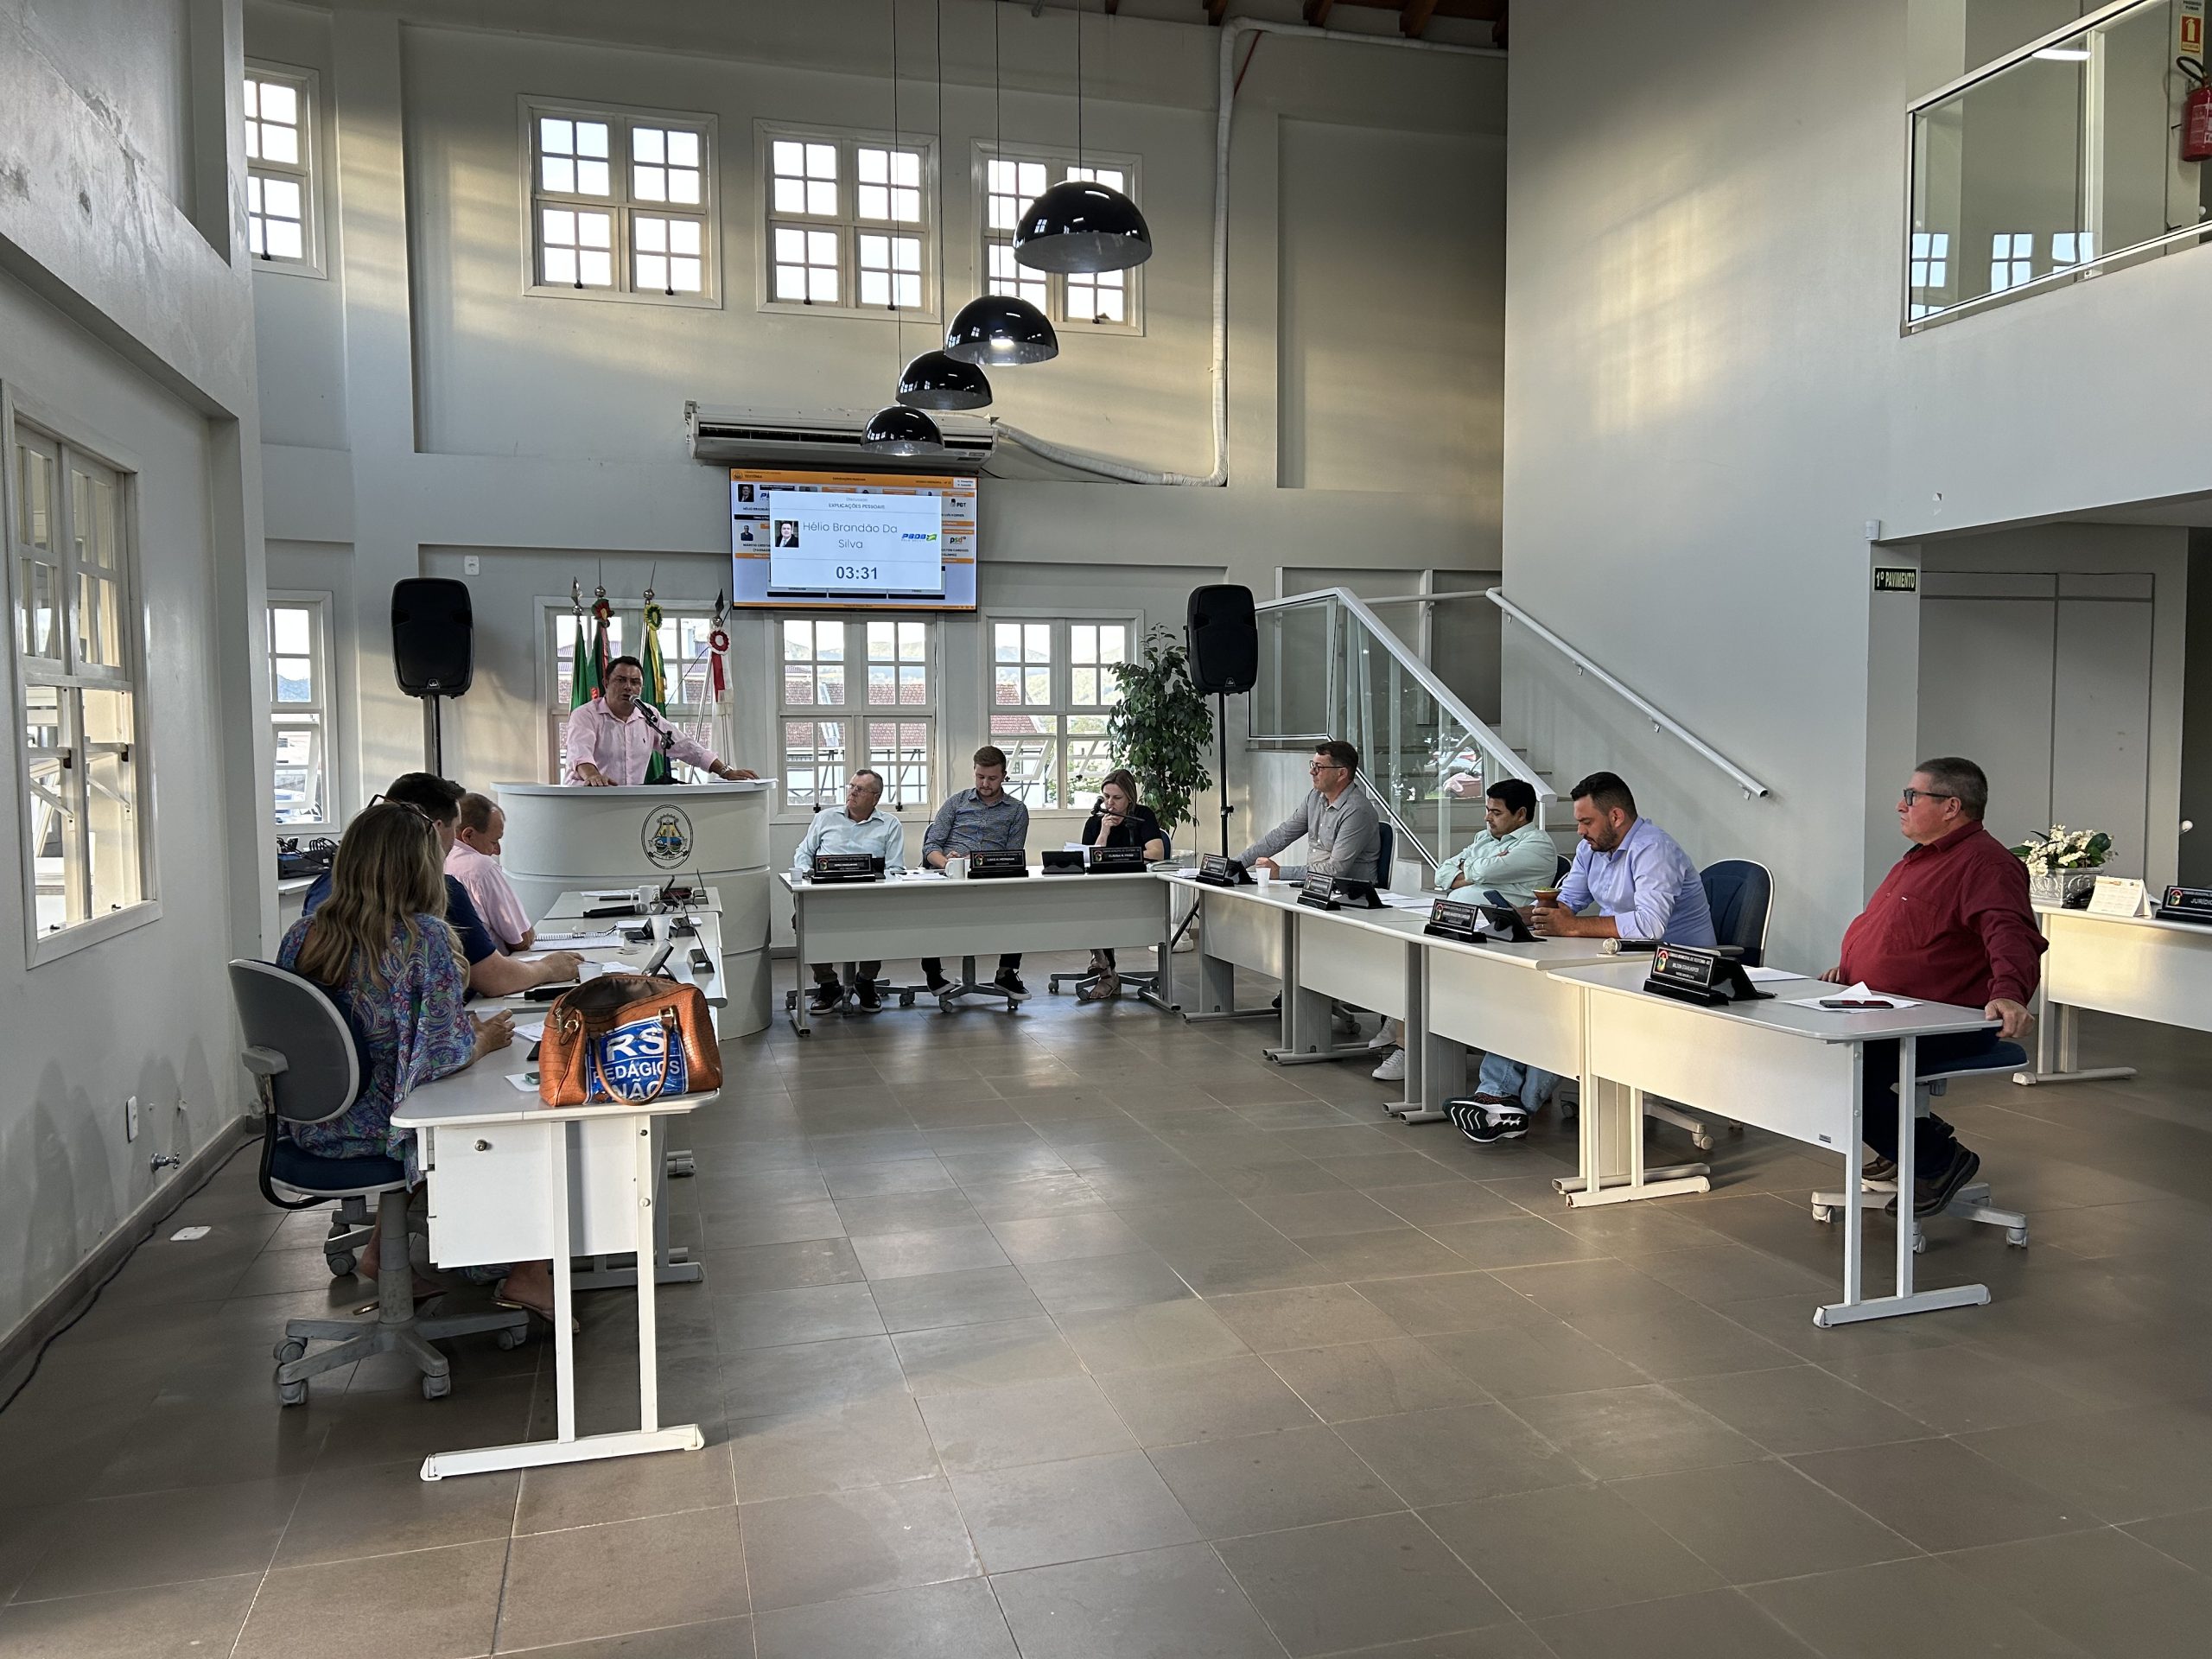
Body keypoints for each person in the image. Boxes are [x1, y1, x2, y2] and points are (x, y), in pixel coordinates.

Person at [278, 801, 557, 1322]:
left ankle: (381, 1252)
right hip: (391, 1128)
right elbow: (443, 1055)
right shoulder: (423, 937)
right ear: (420, 866)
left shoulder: (304, 934)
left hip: (313, 1123)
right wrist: (483, 1040)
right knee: (521, 1117)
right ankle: (527, 1272)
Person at [1821, 757, 2042, 1216]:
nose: (1901, 806)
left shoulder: (1986, 864)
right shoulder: (1922, 858)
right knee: (1814, 1057)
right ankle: (1908, 1139)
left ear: (1951, 807)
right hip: (1883, 1008)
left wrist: (2009, 992)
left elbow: (2010, 933)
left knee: (1838, 1070)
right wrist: (1850, 969)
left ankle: (1937, 1159)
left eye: (1912, 796)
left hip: (1944, 1019)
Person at [1447, 770, 1715, 1145]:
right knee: (1526, 991)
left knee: (1565, 1006)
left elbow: (1649, 925)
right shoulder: (1593, 849)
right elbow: (1568, 901)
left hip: (1675, 969)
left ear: (1616, 817)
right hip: (1620, 958)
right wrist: (1524, 916)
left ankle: (1514, 1106)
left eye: (1587, 821)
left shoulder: (1654, 850)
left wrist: (1572, 927)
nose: (1580, 831)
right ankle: (1496, 1097)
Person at [305, 774, 582, 1000]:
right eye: (455, 828)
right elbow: (494, 979)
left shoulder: (310, 912)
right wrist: (547, 968)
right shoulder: (435, 911)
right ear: (430, 830)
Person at [1370, 779, 1557, 1082]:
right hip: (1460, 925)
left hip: (1497, 939)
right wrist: (1477, 869)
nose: (1487, 817)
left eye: (1496, 812)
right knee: (1409, 957)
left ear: (1521, 814)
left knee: (1424, 971)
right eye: (1487, 810)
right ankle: (1402, 1023)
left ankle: (1408, 1044)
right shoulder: (1485, 838)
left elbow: (1484, 870)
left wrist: (1471, 869)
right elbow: (1443, 873)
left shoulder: (1537, 845)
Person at [921, 746, 1032, 1000]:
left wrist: (976, 863)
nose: (985, 783)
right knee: (927, 909)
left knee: (1019, 905)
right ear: (974, 771)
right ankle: (933, 973)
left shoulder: (1016, 810)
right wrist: (948, 865)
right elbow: (931, 846)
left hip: (992, 877)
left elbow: (1013, 855)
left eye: (992, 778)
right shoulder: (956, 802)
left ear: (1004, 776)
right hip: (948, 874)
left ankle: (1006, 973)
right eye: (980, 777)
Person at [794, 768, 906, 1014]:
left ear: (875, 797)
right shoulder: (826, 818)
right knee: (802, 918)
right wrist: (805, 873)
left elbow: (896, 868)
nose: (852, 792)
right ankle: (828, 984)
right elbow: (804, 852)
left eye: (860, 789)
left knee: (880, 919)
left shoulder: (890, 824)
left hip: (869, 897)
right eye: (852, 786)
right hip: (826, 894)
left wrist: (882, 883)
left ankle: (865, 981)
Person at [567, 656, 760, 787]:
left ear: (641, 688)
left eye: (635, 682)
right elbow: (580, 754)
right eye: (621, 680)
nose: (628, 687)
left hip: (627, 804)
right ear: (606, 683)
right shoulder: (585, 715)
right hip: (587, 803)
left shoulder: (648, 715)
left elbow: (686, 747)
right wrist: (592, 776)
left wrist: (725, 771)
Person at [1077, 768, 1168, 1002]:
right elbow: (1088, 858)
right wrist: (1104, 832)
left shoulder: (1142, 816)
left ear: (1130, 798)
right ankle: (1106, 970)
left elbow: (1157, 853)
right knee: (1088, 905)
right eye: (1106, 797)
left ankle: (1105, 969)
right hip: (1102, 889)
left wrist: (1122, 855)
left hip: (1137, 889)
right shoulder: (1095, 821)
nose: (1110, 803)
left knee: (1099, 908)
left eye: (1117, 798)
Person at [1239, 740, 1381, 883]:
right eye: (1313, 765)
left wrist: (1279, 872)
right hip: (1315, 885)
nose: (1312, 772)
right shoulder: (1315, 797)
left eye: (1319, 767)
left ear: (1341, 773)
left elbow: (1335, 870)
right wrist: (1237, 864)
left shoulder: (1357, 811)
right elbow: (1281, 836)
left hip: (1349, 891)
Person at [447, 792, 533, 952]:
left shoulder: (438, 859)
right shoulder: (480, 867)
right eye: (494, 842)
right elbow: (521, 940)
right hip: (494, 964)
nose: (497, 850)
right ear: (468, 835)